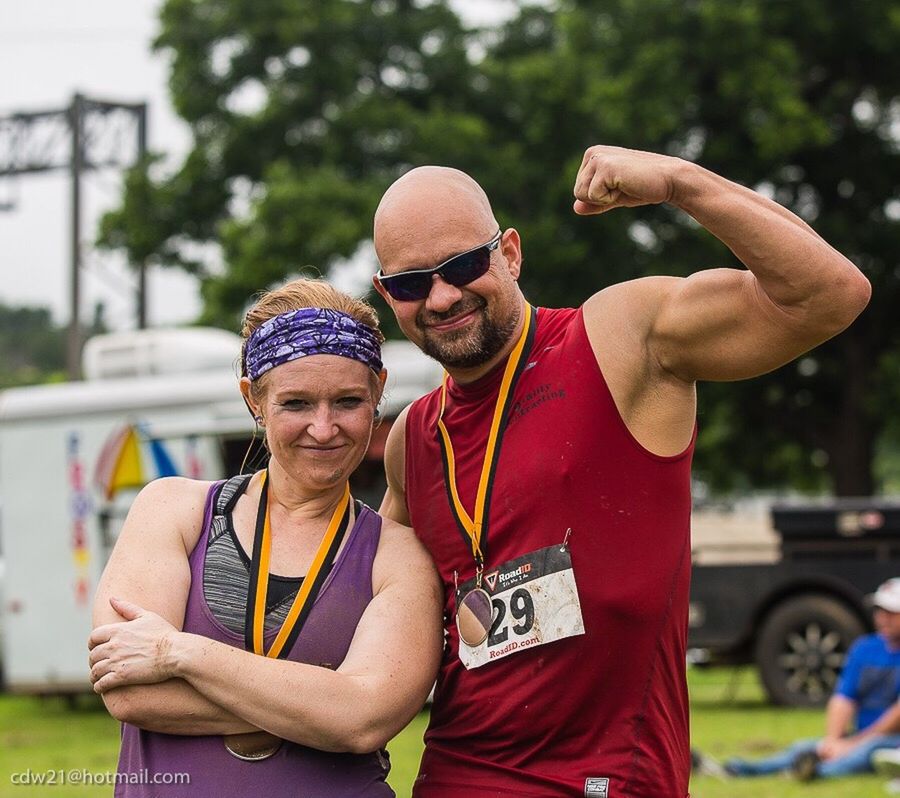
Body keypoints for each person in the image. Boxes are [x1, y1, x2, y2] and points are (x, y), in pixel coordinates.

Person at [370, 145, 871, 797]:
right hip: (454, 778)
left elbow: (830, 295)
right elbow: (371, 613)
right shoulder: (412, 439)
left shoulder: (618, 340)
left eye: (464, 265)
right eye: (411, 283)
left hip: (607, 782)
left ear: (511, 253)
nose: (440, 297)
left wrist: (679, 181)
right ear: (387, 295)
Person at [88, 279, 443, 797]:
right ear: (254, 399)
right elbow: (130, 692)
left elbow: (363, 722)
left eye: (347, 401)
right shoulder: (173, 510)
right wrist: (320, 705)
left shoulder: (399, 555)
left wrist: (179, 653)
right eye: (296, 403)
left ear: (378, 394)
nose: (323, 429)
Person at [721, 577, 900, 780]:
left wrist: (855, 744)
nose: (884, 618)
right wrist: (833, 741)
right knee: (804, 747)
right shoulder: (864, 648)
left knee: (870, 751)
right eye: (880, 611)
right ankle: (747, 769)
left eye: (891, 613)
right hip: (859, 736)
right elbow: (843, 698)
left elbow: (897, 715)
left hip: (890, 741)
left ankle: (814, 773)